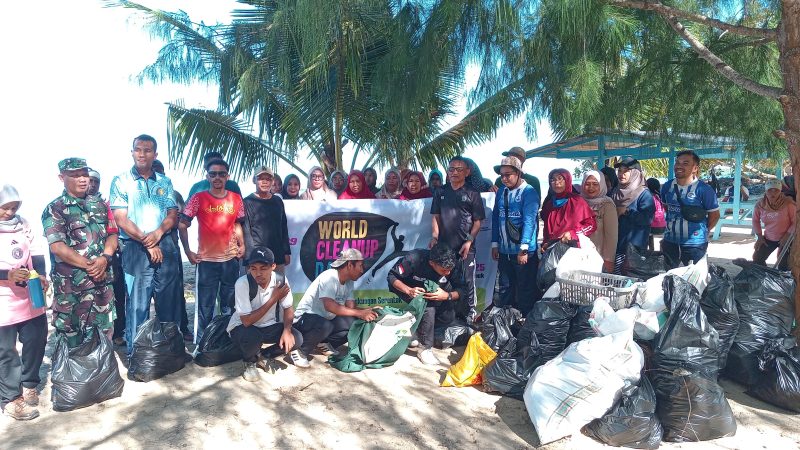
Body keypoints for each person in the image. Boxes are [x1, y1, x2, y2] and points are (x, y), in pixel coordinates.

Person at [110, 135, 181, 357]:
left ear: (155, 154)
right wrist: (147, 241)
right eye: (138, 150)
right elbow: (120, 218)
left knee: (168, 302)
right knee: (138, 304)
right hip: (134, 248)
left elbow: (172, 214)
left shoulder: (164, 182)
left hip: (165, 243)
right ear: (132, 152)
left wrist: (158, 233)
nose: (142, 154)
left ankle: (168, 354)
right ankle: (137, 356)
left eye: (148, 150)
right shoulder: (120, 181)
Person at [45, 158, 119, 349]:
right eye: (75, 175)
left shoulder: (101, 205)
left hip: (102, 286)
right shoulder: (55, 208)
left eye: (84, 174)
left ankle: (103, 378)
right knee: (72, 339)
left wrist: (105, 258)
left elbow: (113, 234)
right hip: (72, 290)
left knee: (104, 335)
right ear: (62, 177)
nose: (82, 179)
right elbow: (58, 246)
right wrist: (92, 266)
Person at [180, 159, 246, 343]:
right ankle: (203, 344)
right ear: (207, 176)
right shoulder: (198, 198)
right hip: (206, 261)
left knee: (229, 305)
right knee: (205, 307)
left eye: (221, 174)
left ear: (228, 176)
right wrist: (188, 251)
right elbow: (182, 224)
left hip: (230, 260)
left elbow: (237, 224)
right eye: (213, 174)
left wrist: (242, 245)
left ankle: (226, 341)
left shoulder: (236, 198)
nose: (217, 177)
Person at [1, 185, 47, 420]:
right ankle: (10, 398)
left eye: (13, 207)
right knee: (6, 350)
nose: (9, 213)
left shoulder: (24, 224)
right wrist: (5, 276)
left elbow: (37, 251)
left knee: (36, 339)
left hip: (29, 295)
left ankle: (29, 382)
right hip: (3, 303)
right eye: (4, 208)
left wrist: (40, 274)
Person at [228, 247, 305, 381]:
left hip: (267, 325)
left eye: (263, 268)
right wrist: (274, 298)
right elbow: (246, 321)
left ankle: (264, 355)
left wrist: (287, 331)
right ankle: (249, 362)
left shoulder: (280, 280)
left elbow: (288, 308)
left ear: (273, 266)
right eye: (253, 268)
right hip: (242, 327)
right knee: (253, 336)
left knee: (297, 338)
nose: (258, 273)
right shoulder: (242, 283)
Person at [292, 249, 378, 366]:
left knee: (353, 323)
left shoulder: (349, 282)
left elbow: (351, 307)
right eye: (360, 266)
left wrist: (368, 310)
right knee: (326, 325)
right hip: (304, 320)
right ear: (349, 265)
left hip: (323, 321)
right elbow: (330, 306)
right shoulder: (330, 277)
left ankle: (322, 343)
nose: (362, 270)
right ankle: (300, 351)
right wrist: (359, 313)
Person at [387, 243, 464, 365]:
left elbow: (462, 290)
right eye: (444, 270)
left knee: (447, 317)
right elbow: (392, 277)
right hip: (410, 289)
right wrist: (408, 290)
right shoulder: (413, 259)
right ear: (432, 263)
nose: (448, 273)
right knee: (428, 308)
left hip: (440, 292)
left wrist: (447, 296)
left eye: (450, 270)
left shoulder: (453, 264)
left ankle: (414, 332)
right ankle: (425, 349)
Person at [430, 156, 485, 323]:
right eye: (451, 169)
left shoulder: (473, 193)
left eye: (459, 169)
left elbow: (477, 222)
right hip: (444, 248)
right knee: (444, 281)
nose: (454, 172)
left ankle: (470, 314)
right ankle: (446, 315)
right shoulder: (440, 191)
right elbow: (435, 217)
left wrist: (469, 241)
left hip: (465, 248)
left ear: (467, 172)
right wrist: (434, 237)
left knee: (468, 282)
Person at [491, 157, 540, 314]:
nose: (504, 179)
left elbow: (529, 221)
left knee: (525, 289)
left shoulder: (529, 192)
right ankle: (507, 320)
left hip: (523, 252)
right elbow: (495, 218)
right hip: (504, 251)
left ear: (519, 173)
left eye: (508, 175)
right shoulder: (501, 192)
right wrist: (494, 244)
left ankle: (525, 322)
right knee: (505, 288)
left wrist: (524, 248)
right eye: (501, 175)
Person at [88, 169, 130, 345]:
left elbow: (114, 232)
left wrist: (107, 255)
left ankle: (118, 332)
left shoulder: (106, 206)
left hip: (110, 262)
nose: (91, 184)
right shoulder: (65, 207)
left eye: (95, 182)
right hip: (84, 267)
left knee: (117, 298)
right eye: (89, 180)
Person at [151, 160, 192, 342]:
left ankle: (182, 327)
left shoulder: (174, 194)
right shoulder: (143, 195)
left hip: (171, 247)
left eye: (161, 171)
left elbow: (180, 219)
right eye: (154, 171)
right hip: (149, 246)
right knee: (157, 293)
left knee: (176, 290)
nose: (158, 175)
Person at [660, 150, 720, 268]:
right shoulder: (667, 186)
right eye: (677, 163)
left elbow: (715, 215)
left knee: (694, 278)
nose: (679, 166)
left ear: (695, 168)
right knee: (668, 275)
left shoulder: (704, 190)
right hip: (670, 240)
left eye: (685, 163)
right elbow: (667, 207)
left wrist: (704, 231)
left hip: (695, 244)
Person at [242, 166, 291, 272]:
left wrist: (286, 252)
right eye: (260, 178)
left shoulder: (278, 201)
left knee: (278, 287)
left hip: (277, 256)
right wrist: (251, 258)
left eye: (268, 179)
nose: (264, 182)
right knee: (255, 288)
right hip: (256, 258)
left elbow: (283, 227)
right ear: (254, 180)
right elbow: (246, 232)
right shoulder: (247, 202)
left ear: (272, 181)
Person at [612, 158, 655, 271]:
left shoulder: (643, 194)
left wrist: (626, 211)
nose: (621, 174)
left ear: (635, 173)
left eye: (626, 171)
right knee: (615, 281)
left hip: (634, 250)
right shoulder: (615, 192)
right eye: (620, 171)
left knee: (630, 282)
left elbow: (647, 219)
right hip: (615, 247)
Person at [540, 169, 596, 249]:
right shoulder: (549, 204)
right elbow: (547, 229)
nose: (556, 182)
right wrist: (545, 243)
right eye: (553, 180)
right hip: (552, 250)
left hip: (572, 250)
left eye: (560, 178)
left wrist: (573, 234)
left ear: (567, 180)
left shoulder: (577, 201)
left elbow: (591, 225)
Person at [753, 180, 796, 270]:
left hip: (787, 239)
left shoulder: (788, 203)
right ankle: (765, 278)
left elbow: (795, 221)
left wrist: (787, 236)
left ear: (780, 191)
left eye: (776, 190)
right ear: (765, 191)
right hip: (769, 238)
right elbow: (755, 221)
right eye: (770, 190)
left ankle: (781, 282)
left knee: (783, 265)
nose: (773, 193)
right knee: (757, 257)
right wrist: (760, 237)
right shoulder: (760, 204)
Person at [580, 170, 617, 272]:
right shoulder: (578, 202)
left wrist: (609, 260)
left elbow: (611, 236)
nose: (591, 187)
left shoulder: (607, 205)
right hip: (579, 256)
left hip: (598, 258)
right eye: (587, 184)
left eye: (595, 184)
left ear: (601, 185)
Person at [647, 178, 666, 252]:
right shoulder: (659, 197)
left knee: (651, 245)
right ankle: (661, 254)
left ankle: (651, 253)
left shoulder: (649, 197)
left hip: (653, 226)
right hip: (662, 225)